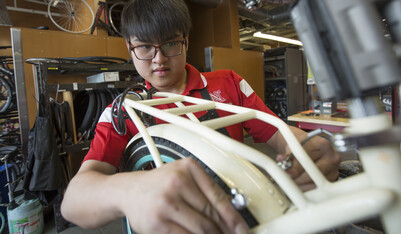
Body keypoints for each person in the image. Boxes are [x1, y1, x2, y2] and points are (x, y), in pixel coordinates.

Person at [61, 0, 341, 233]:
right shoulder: (123, 112)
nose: (158, 59)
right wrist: (128, 192)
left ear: (185, 40)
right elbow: (73, 202)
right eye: (145, 47)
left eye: (170, 44)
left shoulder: (229, 84)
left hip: (245, 214)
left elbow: (278, 133)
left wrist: (307, 149)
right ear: (129, 47)